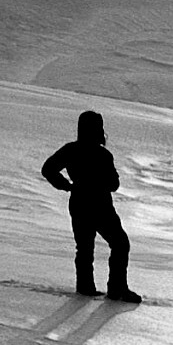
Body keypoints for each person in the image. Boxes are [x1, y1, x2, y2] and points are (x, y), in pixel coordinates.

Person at [41, 110, 141, 303]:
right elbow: (114, 185)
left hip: (79, 202)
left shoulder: (71, 150)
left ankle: (86, 288)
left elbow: (48, 169)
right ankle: (116, 288)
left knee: (85, 248)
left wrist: (66, 185)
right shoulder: (103, 154)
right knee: (120, 244)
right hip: (100, 205)